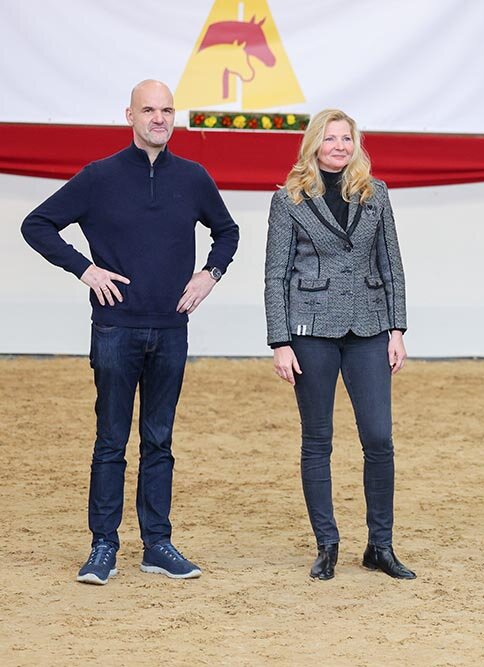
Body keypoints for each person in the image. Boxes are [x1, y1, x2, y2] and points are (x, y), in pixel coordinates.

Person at [21, 80, 239, 585]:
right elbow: (37, 224)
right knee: (111, 442)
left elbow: (227, 231)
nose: (158, 118)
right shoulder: (99, 177)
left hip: (171, 329)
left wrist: (210, 274)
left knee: (159, 441)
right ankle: (103, 546)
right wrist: (84, 270)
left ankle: (157, 544)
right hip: (116, 329)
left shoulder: (193, 176)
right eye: (149, 110)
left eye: (166, 110)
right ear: (130, 116)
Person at [264, 109, 413, 581]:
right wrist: (279, 341)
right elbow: (275, 275)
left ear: (356, 144)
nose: (339, 146)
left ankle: (380, 546)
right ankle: (327, 544)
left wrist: (397, 330)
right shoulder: (288, 199)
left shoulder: (376, 194)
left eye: (346, 138)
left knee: (379, 439)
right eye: (330, 138)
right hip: (310, 334)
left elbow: (392, 265)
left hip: (369, 330)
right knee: (317, 441)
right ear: (314, 144)